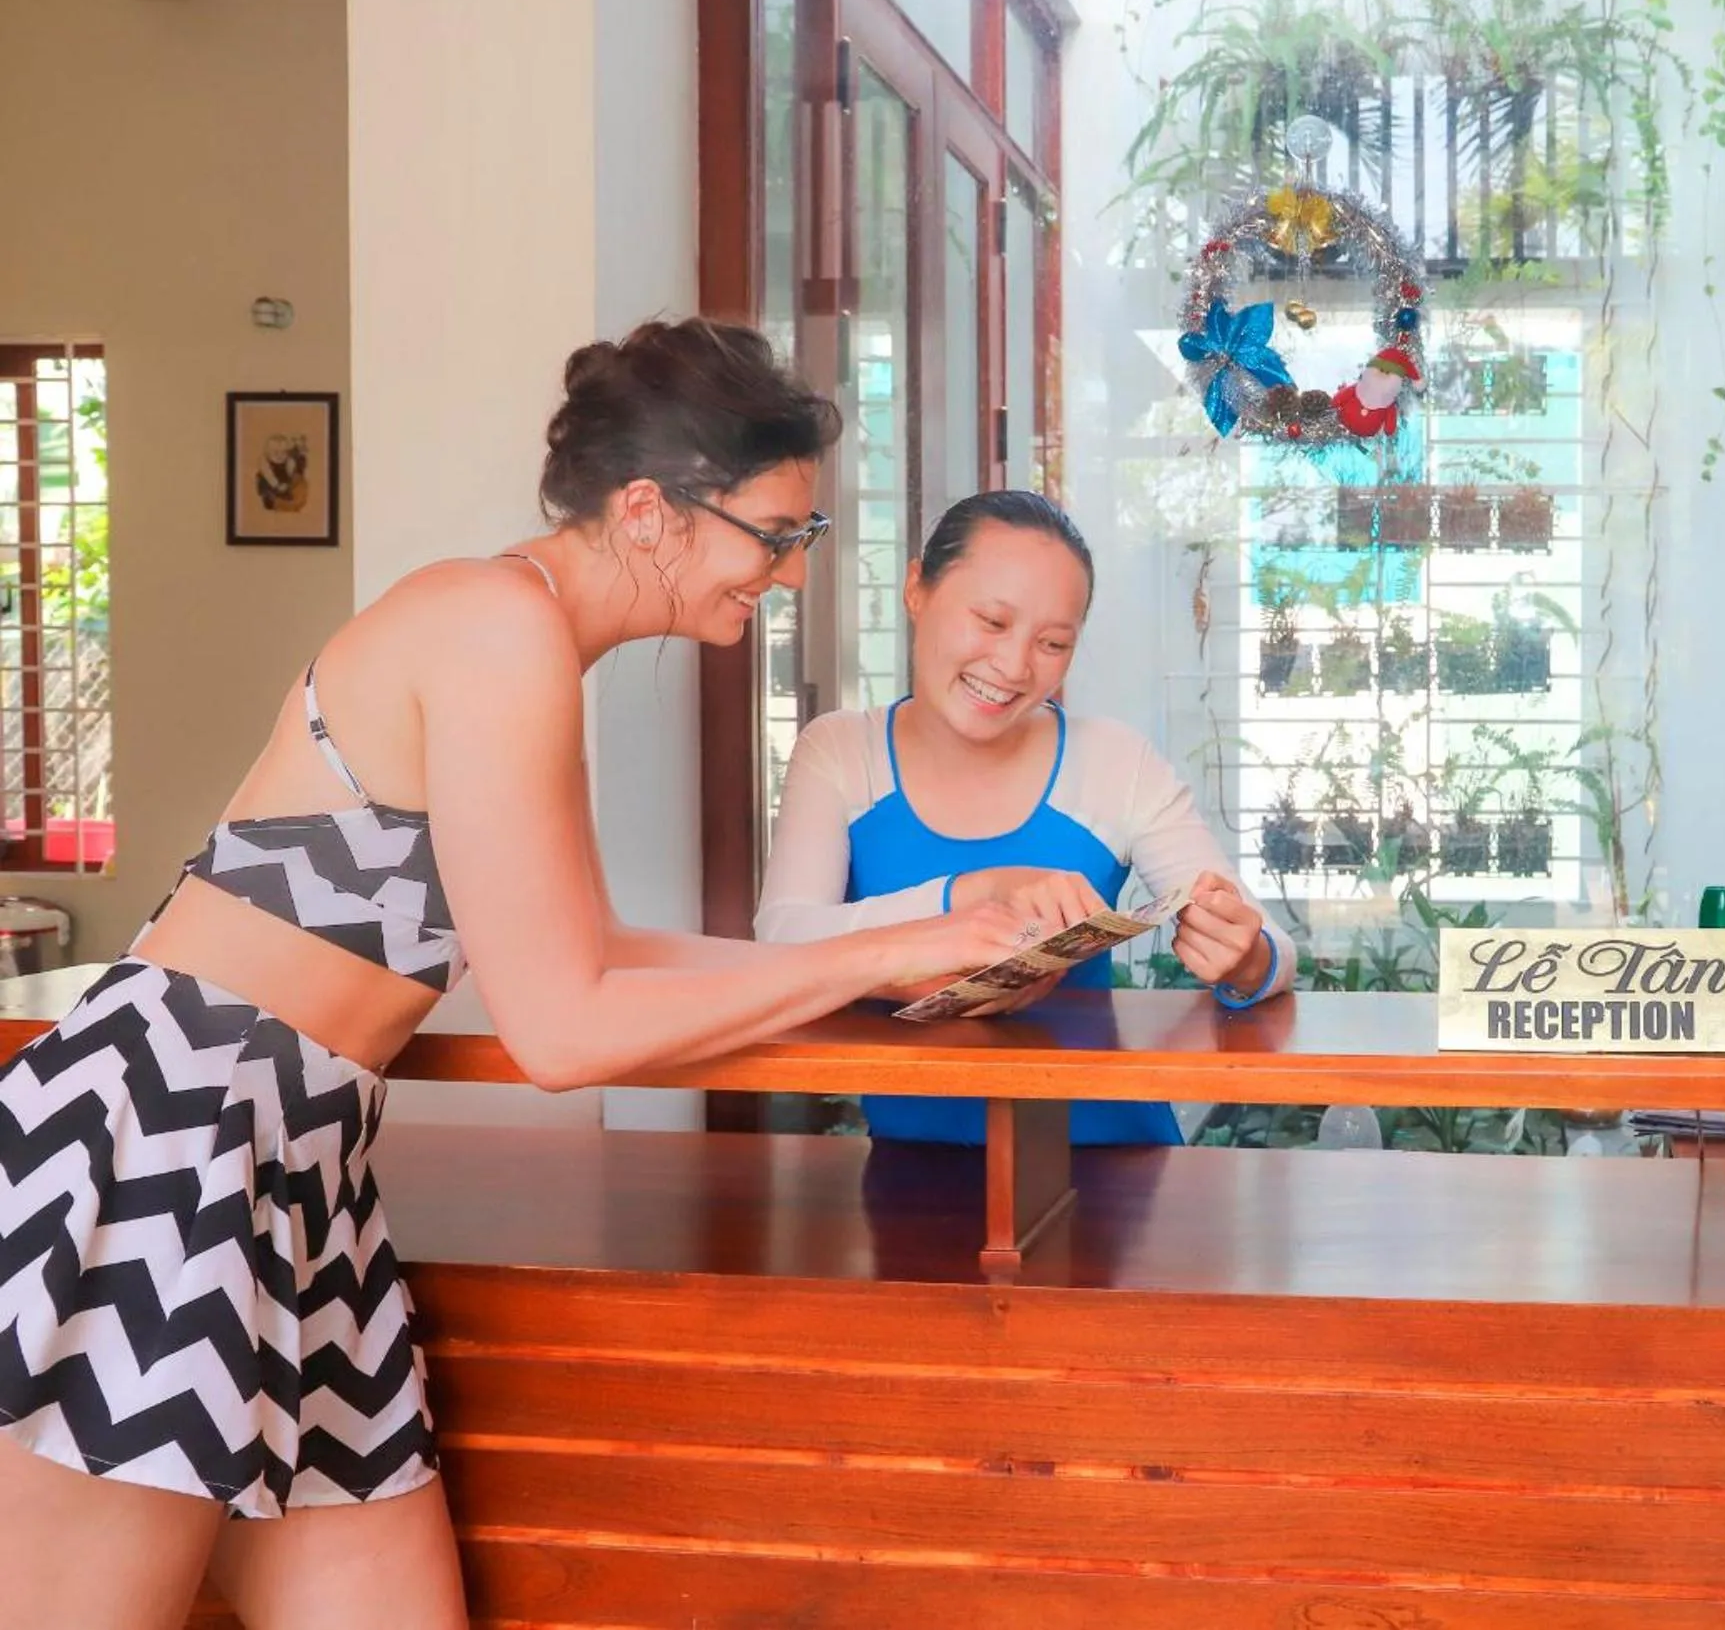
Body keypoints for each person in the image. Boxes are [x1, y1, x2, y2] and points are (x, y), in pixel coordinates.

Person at [0, 318, 1032, 1629]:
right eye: (774, 534)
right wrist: (882, 950)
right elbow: (561, 1028)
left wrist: (891, 950)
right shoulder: (495, 627)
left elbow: (591, 946)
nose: (785, 573)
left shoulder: (525, 638)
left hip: (292, 1171)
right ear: (649, 510)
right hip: (163, 1147)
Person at [756, 490, 1296, 1146]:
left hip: (1116, 1165)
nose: (1013, 667)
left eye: (1053, 642)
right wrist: (974, 894)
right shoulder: (841, 752)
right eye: (991, 621)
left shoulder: (1114, 762)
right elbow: (781, 944)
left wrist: (1245, 957)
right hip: (911, 1172)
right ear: (916, 589)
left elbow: (1269, 945)